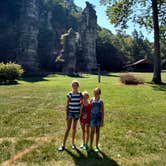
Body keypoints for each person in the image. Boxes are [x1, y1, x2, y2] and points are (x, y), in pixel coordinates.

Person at [58, 80, 82, 151]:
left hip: (76, 113)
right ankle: (63, 144)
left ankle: (73, 143)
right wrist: (66, 115)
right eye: (73, 85)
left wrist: (80, 113)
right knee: (68, 128)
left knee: (74, 128)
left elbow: (81, 103)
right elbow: (67, 105)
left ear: (78, 86)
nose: (74, 87)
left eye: (76, 85)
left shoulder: (80, 94)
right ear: (72, 86)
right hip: (70, 113)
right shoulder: (69, 94)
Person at [90, 87, 104, 152]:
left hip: (98, 118)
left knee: (97, 131)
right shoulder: (91, 100)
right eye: (95, 92)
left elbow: (102, 112)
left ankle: (96, 145)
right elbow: (89, 109)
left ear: (99, 93)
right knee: (92, 131)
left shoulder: (101, 101)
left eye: (97, 93)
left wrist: (102, 120)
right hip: (92, 118)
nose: (96, 94)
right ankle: (90, 145)